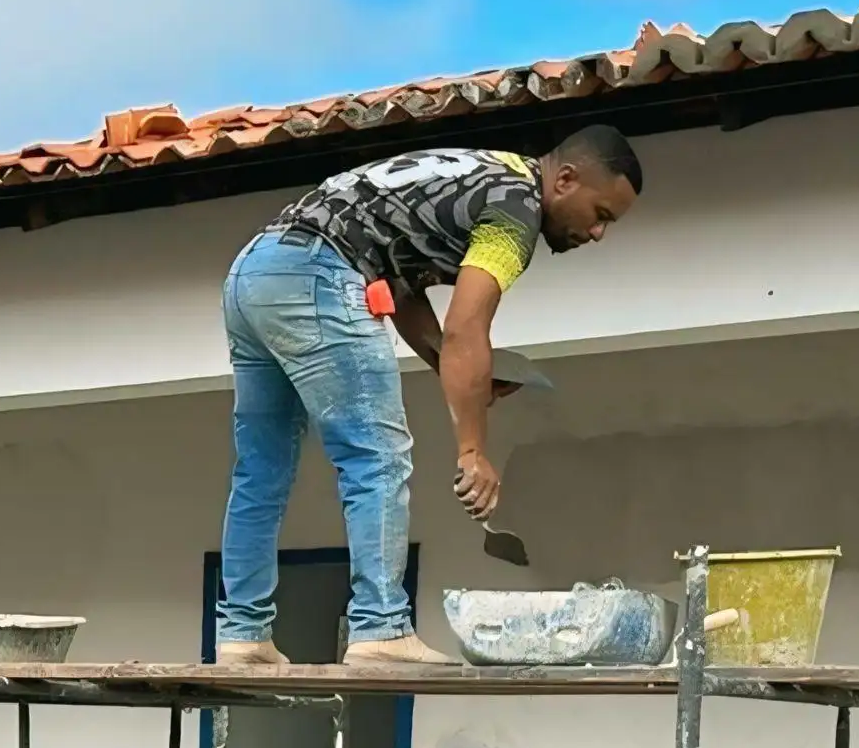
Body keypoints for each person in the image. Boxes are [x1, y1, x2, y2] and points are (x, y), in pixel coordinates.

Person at [212, 127, 645, 667]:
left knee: (261, 470)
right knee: (376, 456)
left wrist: (453, 368)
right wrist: (473, 451)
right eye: (601, 214)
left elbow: (403, 288)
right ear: (565, 180)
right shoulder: (517, 210)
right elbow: (467, 327)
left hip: (255, 269)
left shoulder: (480, 172)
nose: (598, 233)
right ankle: (380, 626)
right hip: (320, 271)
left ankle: (242, 634)